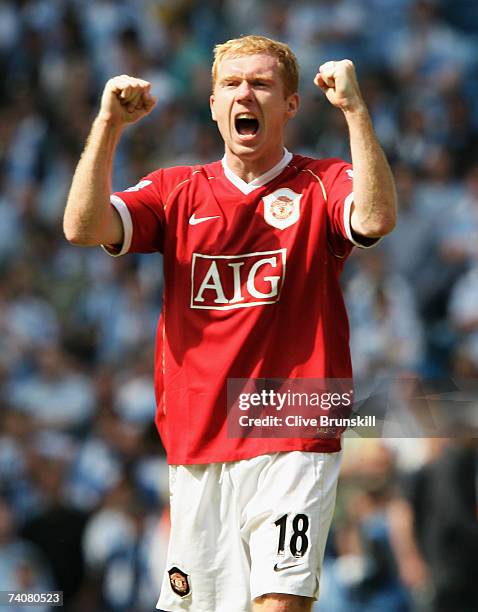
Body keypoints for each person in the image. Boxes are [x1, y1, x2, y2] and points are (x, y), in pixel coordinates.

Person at [63, 35, 396, 612]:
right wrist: (108, 125)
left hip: (295, 423)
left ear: (291, 105)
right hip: (198, 436)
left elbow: (374, 217)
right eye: (232, 85)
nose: (246, 94)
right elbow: (82, 226)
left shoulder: (322, 181)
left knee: (280, 599)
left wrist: (355, 111)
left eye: (262, 84)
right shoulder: (174, 190)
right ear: (214, 104)